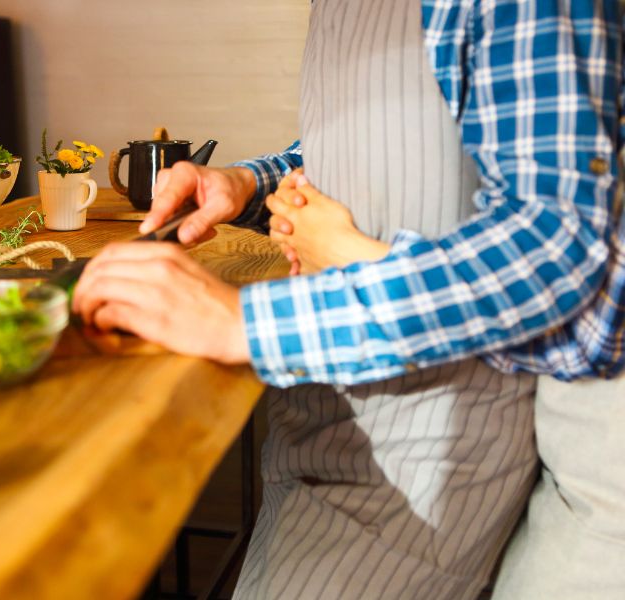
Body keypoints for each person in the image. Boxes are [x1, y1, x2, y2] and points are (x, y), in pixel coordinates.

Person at [72, 1, 624, 598]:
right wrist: (248, 183)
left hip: (425, 436)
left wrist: (244, 321)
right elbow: (394, 134)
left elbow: (555, 243)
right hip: (323, 409)